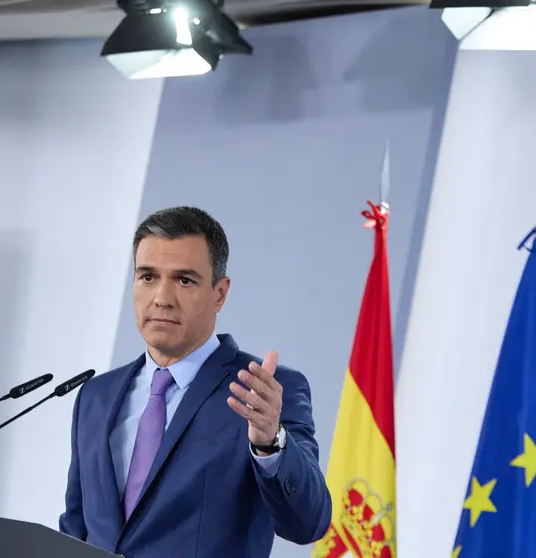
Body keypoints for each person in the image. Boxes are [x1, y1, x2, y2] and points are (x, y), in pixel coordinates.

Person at [58, 206, 332, 557]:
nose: (161, 298)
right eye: (148, 277)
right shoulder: (96, 396)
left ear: (219, 293)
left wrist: (270, 443)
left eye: (184, 280)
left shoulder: (263, 391)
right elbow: (74, 530)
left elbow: (309, 523)